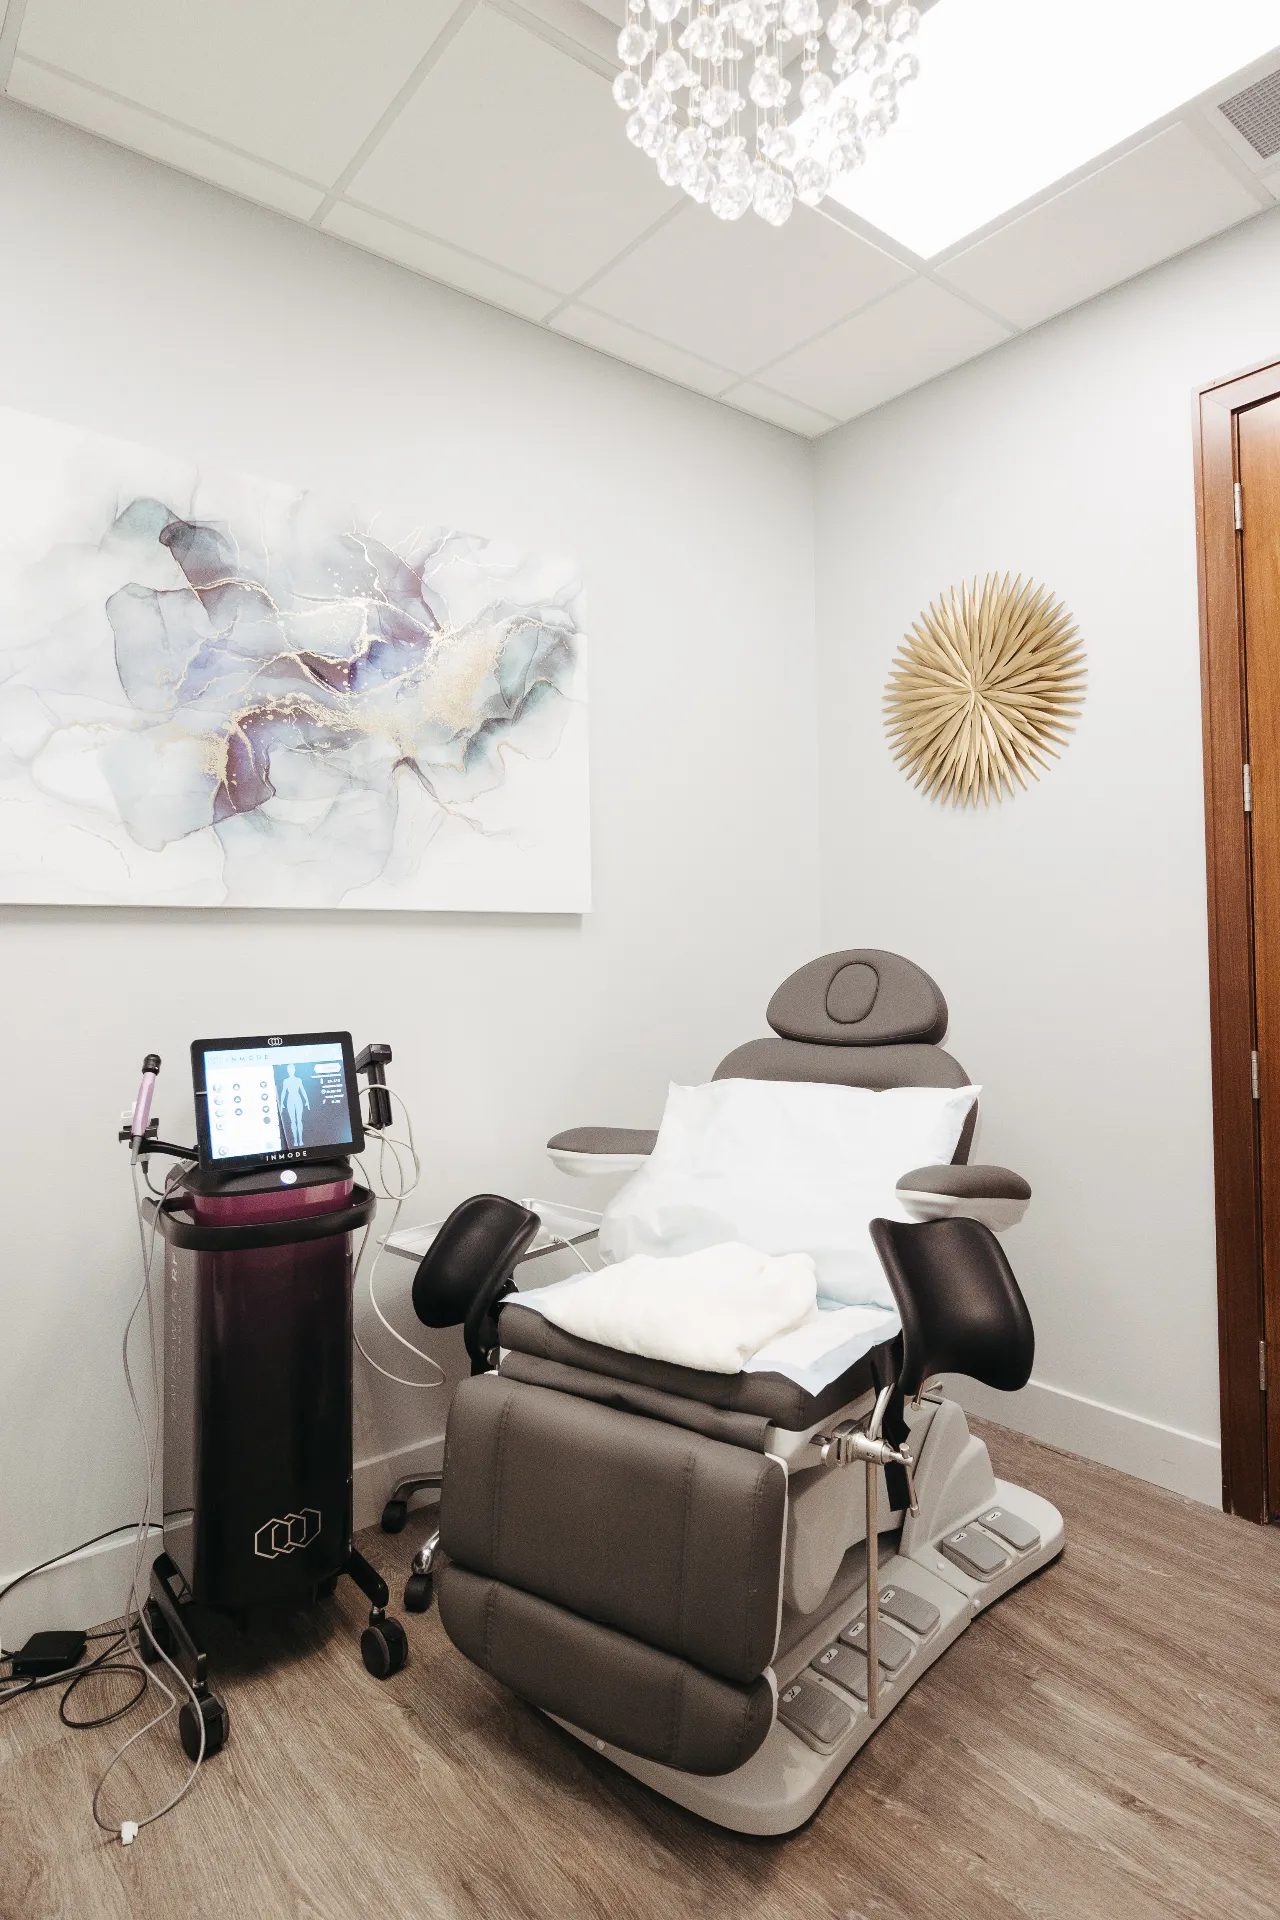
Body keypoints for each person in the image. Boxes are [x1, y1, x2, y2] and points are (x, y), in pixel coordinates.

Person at [280, 1061, 311, 1147]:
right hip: (290, 1100)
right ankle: (295, 1141)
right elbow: (283, 1092)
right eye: (289, 1069)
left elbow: (303, 1090)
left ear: (294, 1070)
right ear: (288, 1071)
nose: (291, 1071)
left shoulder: (298, 1080)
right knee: (293, 1121)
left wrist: (307, 1100)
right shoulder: (286, 1081)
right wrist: (281, 1103)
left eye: (292, 1069)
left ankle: (300, 1140)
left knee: (299, 1120)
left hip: (298, 1099)